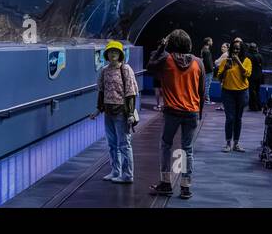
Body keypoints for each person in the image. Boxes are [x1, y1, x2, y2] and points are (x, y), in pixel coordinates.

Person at [146, 29, 205, 200]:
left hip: (172, 111)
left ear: (170, 43)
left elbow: (150, 65)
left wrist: (161, 47)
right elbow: (201, 91)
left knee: (166, 145)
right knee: (187, 149)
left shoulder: (166, 59)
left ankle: (166, 183)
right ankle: (185, 186)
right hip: (191, 112)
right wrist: (199, 112)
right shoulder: (198, 62)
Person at [91, 39, 139, 184]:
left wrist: (130, 113)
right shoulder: (104, 71)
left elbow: (131, 92)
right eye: (110, 52)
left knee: (124, 144)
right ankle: (115, 171)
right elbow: (101, 91)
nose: (113, 54)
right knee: (112, 144)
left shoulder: (125, 69)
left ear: (120, 54)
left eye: (115, 52)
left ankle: (127, 174)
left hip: (121, 112)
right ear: (106, 54)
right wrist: (98, 110)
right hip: (108, 112)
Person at [215, 39, 252, 151]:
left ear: (242, 50)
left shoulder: (247, 60)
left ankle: (236, 144)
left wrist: (239, 63)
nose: (236, 51)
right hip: (228, 92)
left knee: (238, 118)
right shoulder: (225, 61)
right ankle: (227, 143)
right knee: (230, 118)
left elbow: (247, 74)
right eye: (234, 49)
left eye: (238, 49)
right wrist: (225, 68)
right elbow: (219, 78)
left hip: (242, 92)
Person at [245, 42, 264, 112]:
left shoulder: (248, 56)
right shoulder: (260, 56)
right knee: (257, 91)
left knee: (251, 91)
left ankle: (253, 106)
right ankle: (259, 106)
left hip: (251, 76)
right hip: (259, 76)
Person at [199, 37, 214, 104]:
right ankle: (207, 100)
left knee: (205, 85)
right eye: (211, 41)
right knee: (207, 85)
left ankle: (204, 99)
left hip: (205, 70)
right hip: (208, 71)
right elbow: (208, 62)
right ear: (208, 42)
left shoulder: (203, 49)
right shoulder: (207, 51)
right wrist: (212, 69)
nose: (212, 42)